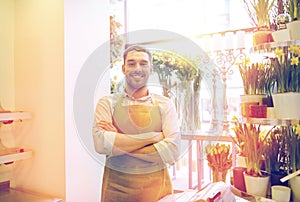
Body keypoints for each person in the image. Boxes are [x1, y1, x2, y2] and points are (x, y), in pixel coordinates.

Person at [92, 45, 181, 202]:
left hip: (157, 192)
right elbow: (101, 144)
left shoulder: (165, 104)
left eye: (143, 63)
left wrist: (119, 140)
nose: (137, 68)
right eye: (131, 63)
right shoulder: (107, 103)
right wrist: (153, 138)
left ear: (151, 69)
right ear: (124, 68)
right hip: (116, 191)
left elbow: (171, 151)